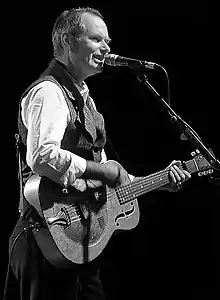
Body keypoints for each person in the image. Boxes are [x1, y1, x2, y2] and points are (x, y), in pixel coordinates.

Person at [3, 6, 191, 300]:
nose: (107, 48)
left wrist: (158, 181)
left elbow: (111, 180)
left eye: (108, 41)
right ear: (67, 41)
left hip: (80, 245)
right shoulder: (49, 92)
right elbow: (41, 156)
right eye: (96, 39)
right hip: (44, 240)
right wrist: (100, 171)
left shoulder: (87, 103)